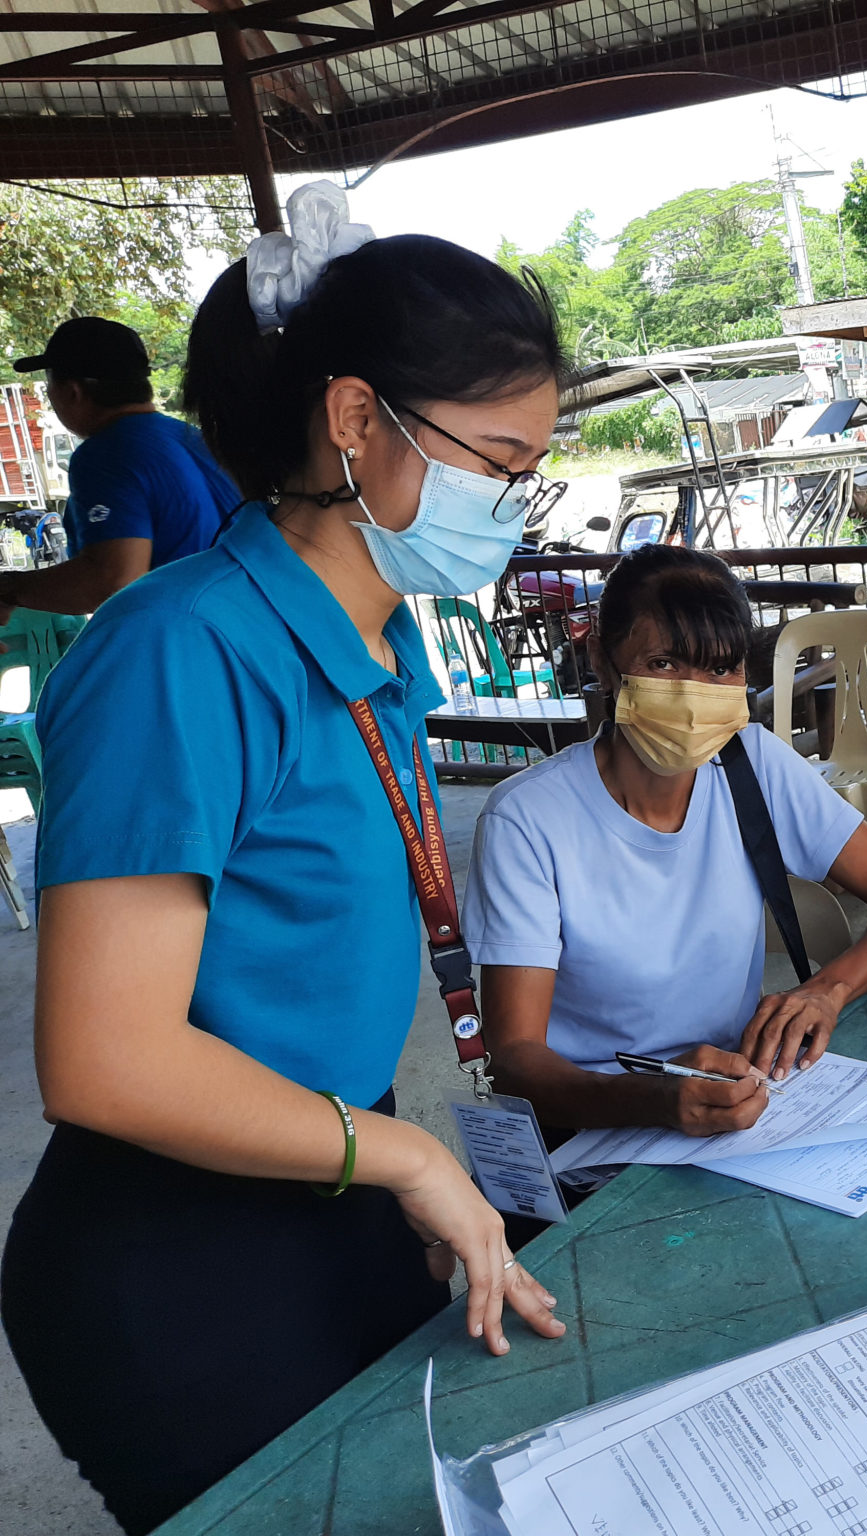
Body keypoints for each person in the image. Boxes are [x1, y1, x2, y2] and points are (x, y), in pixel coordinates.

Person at [0, 184, 568, 1535]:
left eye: (530, 468)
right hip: (174, 1254)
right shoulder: (179, 651)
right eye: (495, 460)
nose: (514, 503)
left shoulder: (380, 647)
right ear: (357, 421)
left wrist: (397, 1161)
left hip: (331, 1179)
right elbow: (107, 1060)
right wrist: (414, 1161)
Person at [466, 544, 867, 1135]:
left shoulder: (755, 766)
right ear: (602, 659)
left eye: (720, 669)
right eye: (664, 664)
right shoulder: (528, 820)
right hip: (597, 1132)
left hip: (739, 1100)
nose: (695, 696)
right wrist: (653, 1099)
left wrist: (826, 991)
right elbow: (515, 1062)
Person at [0, 316, 238, 620]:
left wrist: (9, 588)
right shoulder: (194, 439)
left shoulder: (107, 453)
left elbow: (111, 581)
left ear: (73, 392)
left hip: (185, 640)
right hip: (242, 629)